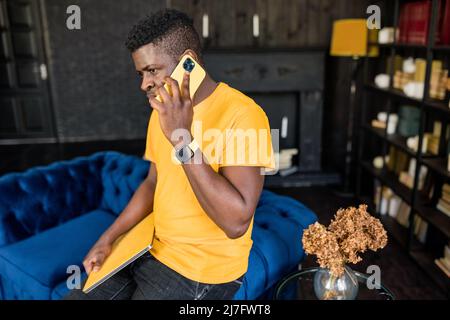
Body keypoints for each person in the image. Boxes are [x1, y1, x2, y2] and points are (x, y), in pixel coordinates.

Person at [65, 8, 274, 300]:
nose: (144, 84)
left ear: (187, 63)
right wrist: (107, 239)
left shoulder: (243, 114)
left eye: (152, 70)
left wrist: (182, 137)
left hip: (201, 269)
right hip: (148, 246)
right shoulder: (162, 110)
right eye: (140, 73)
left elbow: (236, 222)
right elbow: (152, 183)